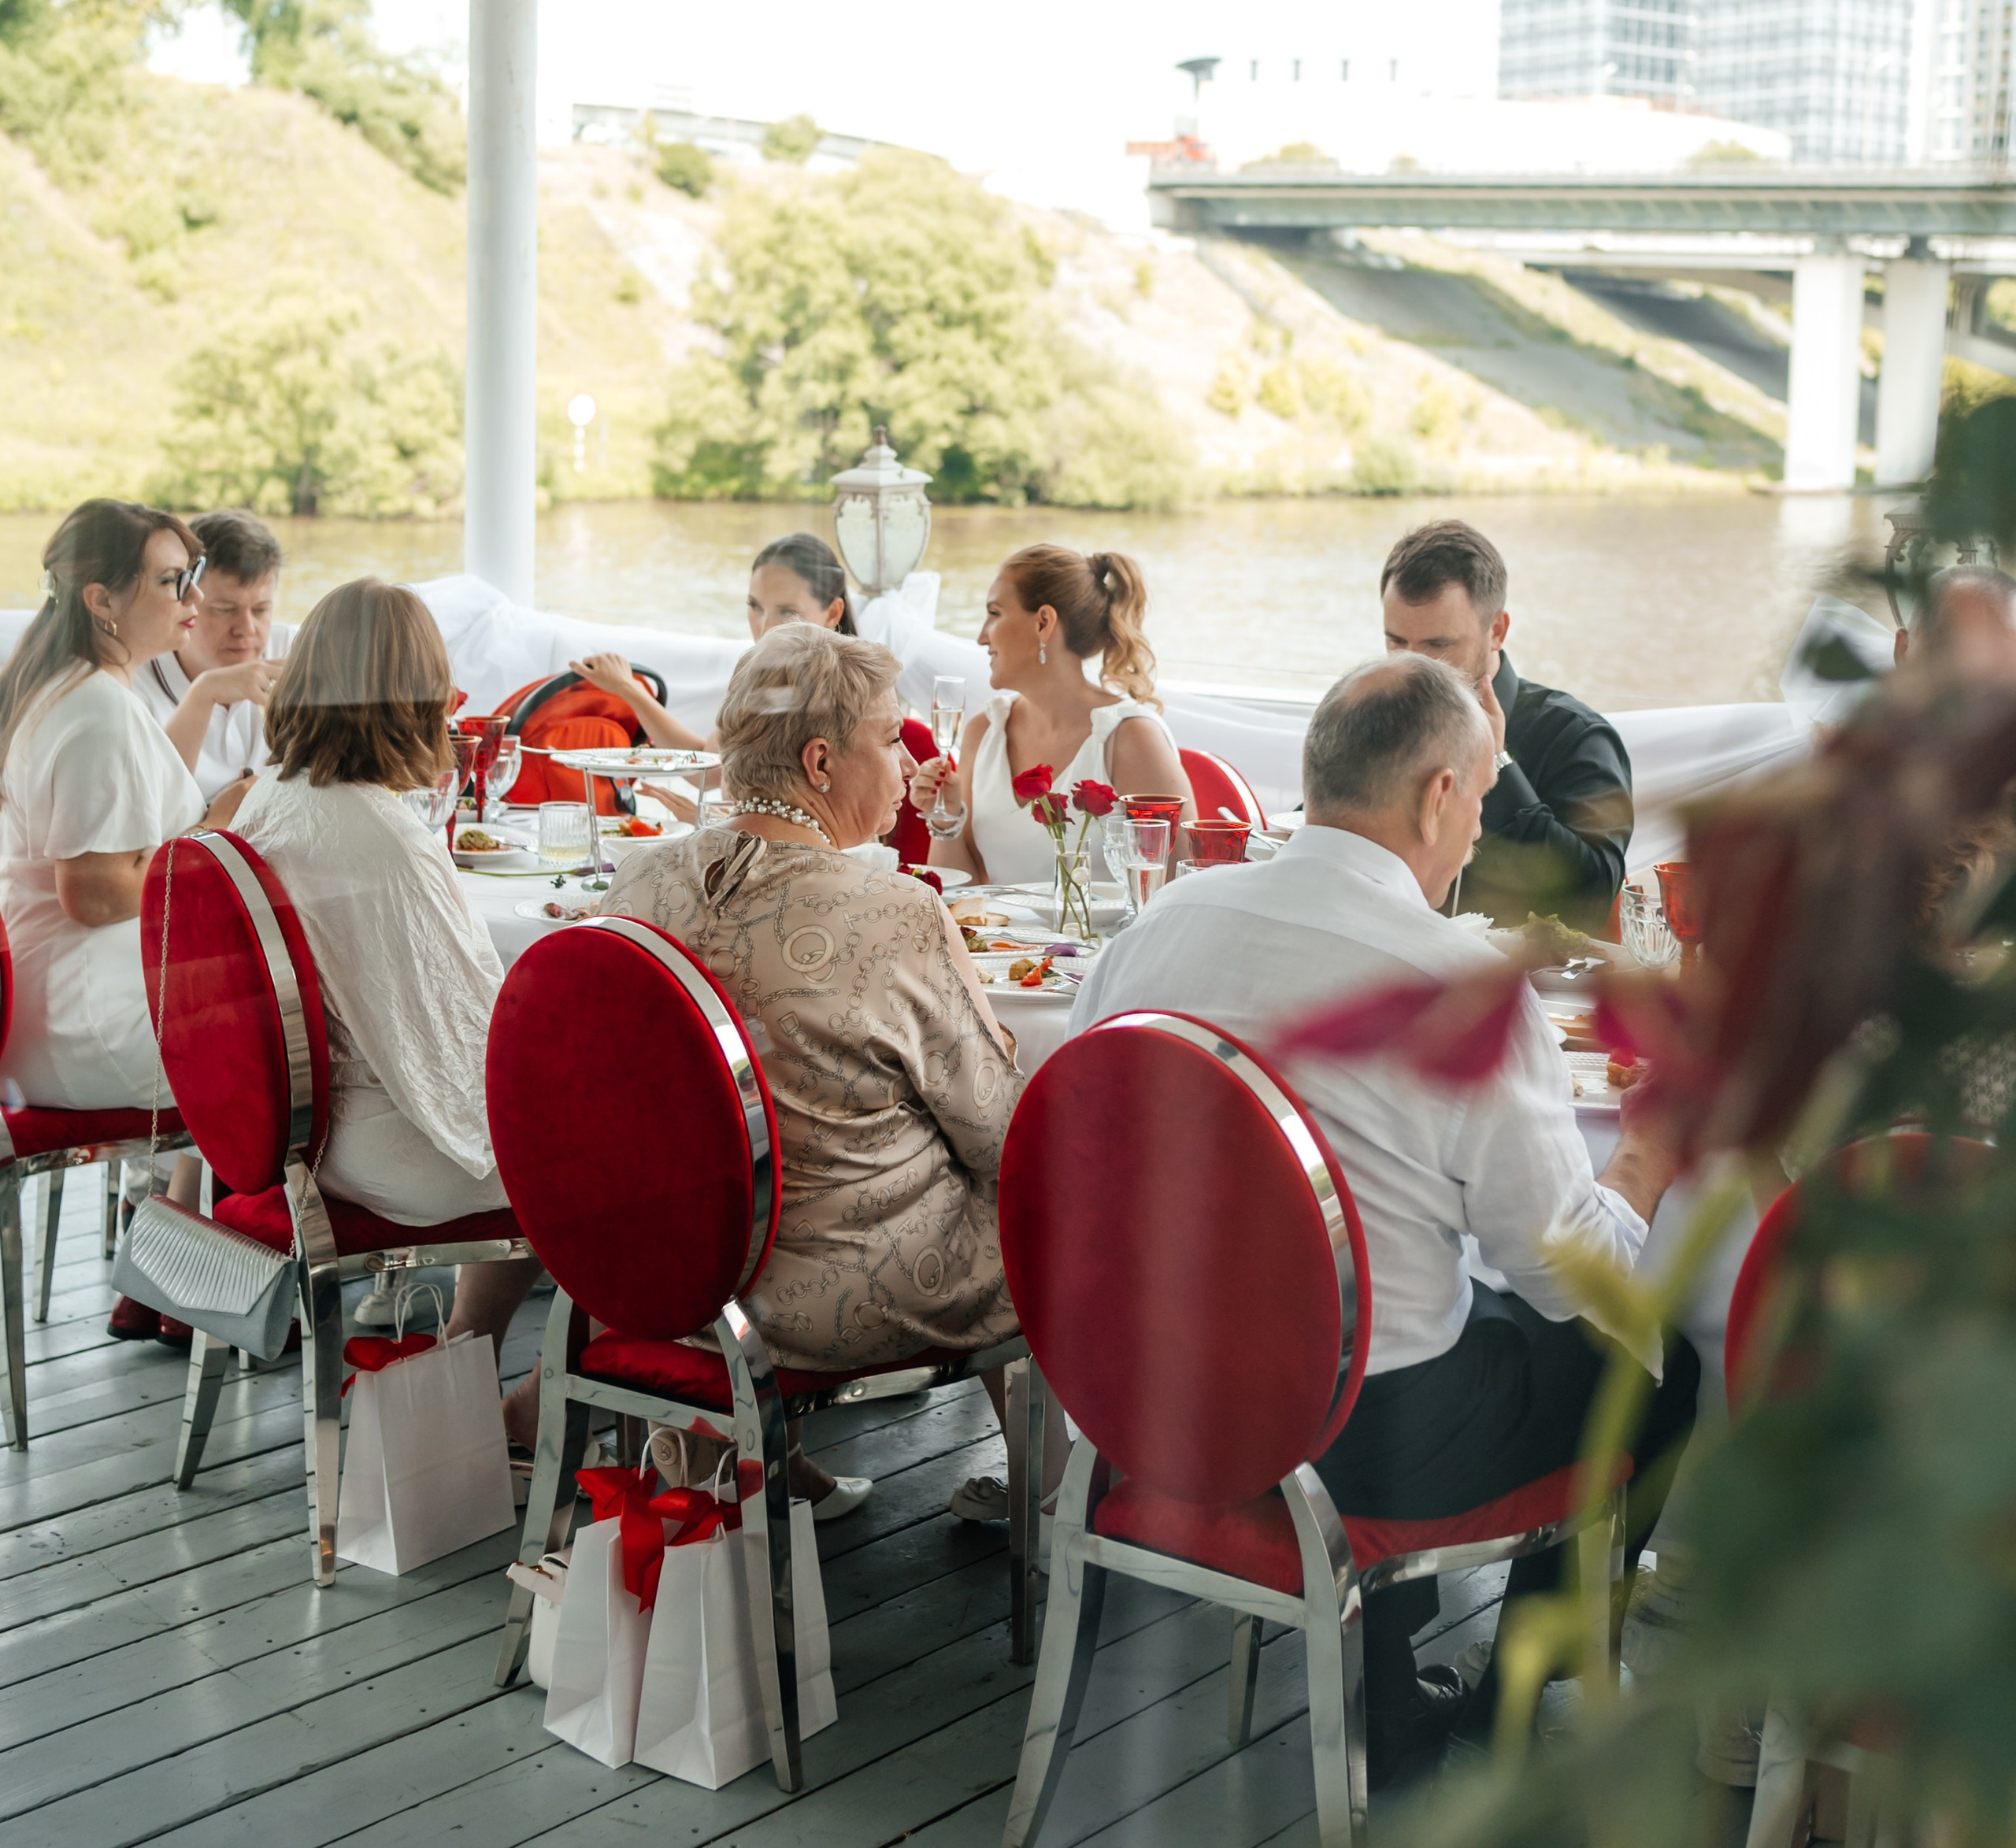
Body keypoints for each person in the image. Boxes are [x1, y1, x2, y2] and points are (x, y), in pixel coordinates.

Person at [1073, 652, 1697, 1782]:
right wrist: (1647, 1156)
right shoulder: (1459, 989)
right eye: (1483, 794)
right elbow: (1575, 1276)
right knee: (1656, 1363)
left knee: (1413, 1296)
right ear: (1439, 797)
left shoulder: (1148, 936)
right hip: (1358, 1447)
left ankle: (1391, 1692)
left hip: (1145, 1398)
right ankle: (1507, 1703)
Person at [602, 622, 1032, 1522]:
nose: (906, 755)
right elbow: (1000, 1138)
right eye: (889, 738)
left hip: (658, 1271)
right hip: (823, 1296)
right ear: (821, 761)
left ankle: (764, 1459)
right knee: (1043, 1194)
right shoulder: (896, 909)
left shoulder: (635, 884)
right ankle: (1057, 1492)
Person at [232, 580, 537, 1431]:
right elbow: (463, 1026)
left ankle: (469, 1368)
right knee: (636, 1151)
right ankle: (553, 1402)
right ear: (415, 696)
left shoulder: (273, 798)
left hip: (302, 1136)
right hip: (387, 1152)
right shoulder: (382, 835)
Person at [0, 502, 252, 1340]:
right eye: (173, 579)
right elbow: (96, 892)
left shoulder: (78, 685)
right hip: (80, 1013)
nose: (194, 591)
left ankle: (178, 1279)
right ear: (102, 597)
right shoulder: (94, 709)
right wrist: (216, 833)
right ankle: (248, 1287)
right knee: (300, 1033)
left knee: (269, 1006)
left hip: (57, 992)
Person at [1380, 517, 1631, 933]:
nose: (1413, 666)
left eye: (1437, 645)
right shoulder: (1376, 718)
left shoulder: (1578, 737)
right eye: (1396, 642)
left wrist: (1497, 764)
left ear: (1496, 630)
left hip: (1517, 988)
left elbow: (1590, 902)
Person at [908, 544, 1192, 887]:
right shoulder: (983, 731)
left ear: (1043, 622)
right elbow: (962, 893)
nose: (982, 637)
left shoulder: (1130, 738)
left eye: (995, 613)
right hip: (1001, 941)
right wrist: (947, 819)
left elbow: (1182, 889)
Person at [570, 531, 858, 759]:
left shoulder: (843, 691)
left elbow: (708, 770)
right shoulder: (765, 677)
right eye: (754, 606)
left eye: (787, 611)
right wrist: (627, 689)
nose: (764, 626)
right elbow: (709, 762)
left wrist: (630, 689)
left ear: (833, 612)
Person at [131, 509, 293, 802]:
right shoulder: (134, 688)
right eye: (224, 610)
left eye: (260, 610)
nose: (246, 629)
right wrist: (206, 691)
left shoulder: (290, 649)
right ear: (185, 600)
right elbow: (148, 812)